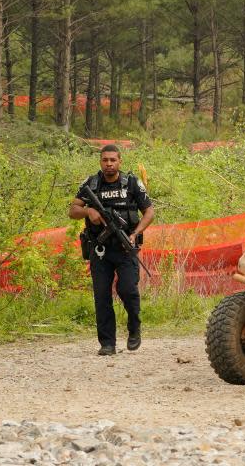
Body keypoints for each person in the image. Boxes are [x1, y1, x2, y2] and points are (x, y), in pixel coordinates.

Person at [69, 144, 155, 356]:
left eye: (113, 160)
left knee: (128, 290)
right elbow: (73, 210)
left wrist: (135, 234)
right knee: (101, 296)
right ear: (100, 161)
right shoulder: (92, 183)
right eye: (105, 160)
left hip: (126, 247)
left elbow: (149, 212)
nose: (109, 164)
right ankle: (107, 343)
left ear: (120, 161)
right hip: (100, 249)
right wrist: (89, 211)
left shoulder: (132, 183)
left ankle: (134, 328)